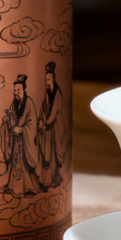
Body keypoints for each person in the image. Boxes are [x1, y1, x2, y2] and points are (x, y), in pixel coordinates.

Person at [0, 73, 43, 197]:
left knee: (24, 164)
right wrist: (7, 120)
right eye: (14, 90)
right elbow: (12, 117)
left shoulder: (29, 103)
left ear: (24, 89)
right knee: (15, 163)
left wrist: (23, 129)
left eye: (18, 90)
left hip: (25, 140)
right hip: (16, 140)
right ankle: (14, 187)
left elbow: (32, 122)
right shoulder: (14, 104)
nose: (16, 93)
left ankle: (29, 186)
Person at [37, 61, 67, 189]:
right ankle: (46, 179)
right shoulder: (47, 93)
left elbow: (55, 111)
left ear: (54, 78)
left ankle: (53, 179)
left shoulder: (57, 93)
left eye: (49, 79)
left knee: (53, 155)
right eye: (46, 79)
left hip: (55, 128)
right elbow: (43, 109)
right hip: (48, 129)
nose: (47, 81)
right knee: (46, 155)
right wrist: (40, 121)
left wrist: (47, 123)